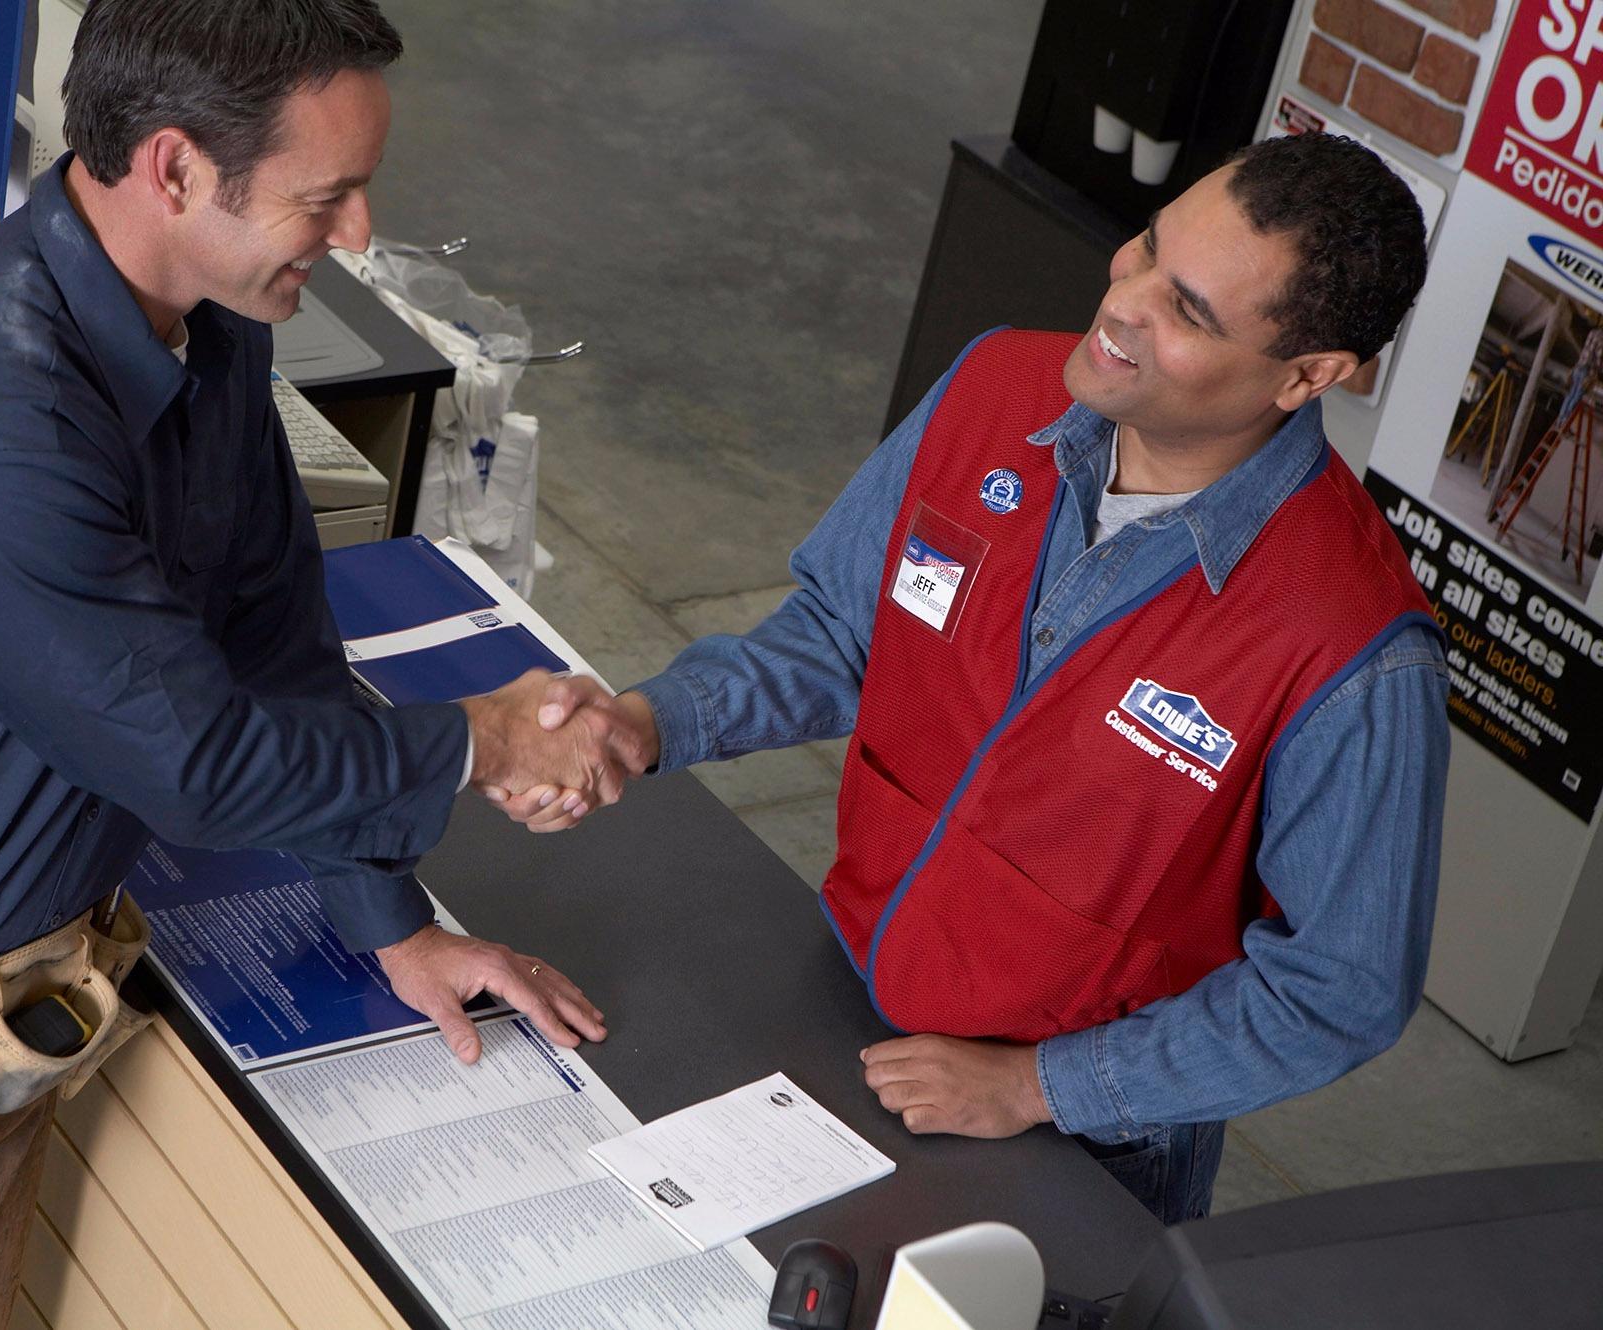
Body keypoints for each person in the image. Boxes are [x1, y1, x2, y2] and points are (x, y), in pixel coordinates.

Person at [0, 1, 631, 1323]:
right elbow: (197, 759)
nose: (357, 232)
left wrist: (390, 920)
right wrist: (483, 741)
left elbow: (270, 631)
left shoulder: (211, 332)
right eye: (325, 196)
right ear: (174, 169)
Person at [494, 132, 1448, 1224]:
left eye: (1187, 310)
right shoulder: (993, 388)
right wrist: (647, 722)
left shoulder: (1351, 648)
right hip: (852, 985)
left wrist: (1038, 1086)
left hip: (1084, 1142)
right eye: (1146, 247)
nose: (1122, 301)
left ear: (1308, 374)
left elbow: (1340, 988)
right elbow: (843, 631)